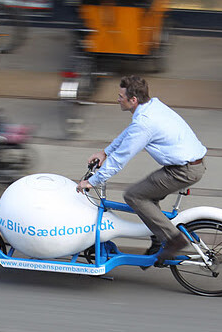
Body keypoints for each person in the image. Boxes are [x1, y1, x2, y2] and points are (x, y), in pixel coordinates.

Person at [77, 76, 207, 263]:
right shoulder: (152, 106)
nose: (118, 99)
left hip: (183, 171)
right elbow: (130, 132)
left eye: (121, 96)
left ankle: (173, 239)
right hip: (190, 165)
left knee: (133, 196)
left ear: (133, 100)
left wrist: (91, 182)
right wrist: (105, 152)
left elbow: (120, 160)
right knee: (148, 197)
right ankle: (158, 239)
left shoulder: (144, 124)